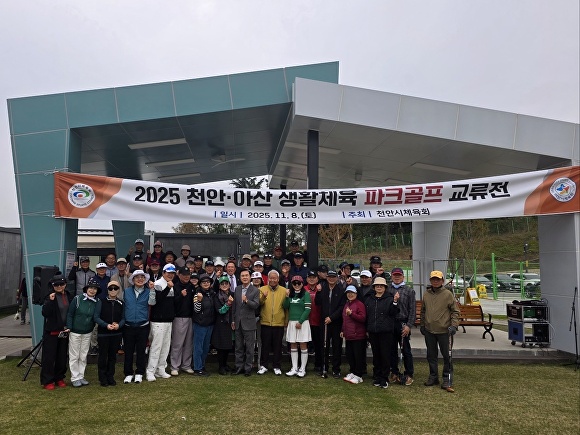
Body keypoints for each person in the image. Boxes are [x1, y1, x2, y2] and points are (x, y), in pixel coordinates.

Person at [420, 270, 460, 390]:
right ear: (430, 280)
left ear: (442, 281)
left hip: (445, 331)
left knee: (447, 356)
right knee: (431, 355)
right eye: (433, 279)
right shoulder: (426, 294)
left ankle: (447, 378)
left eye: (438, 279)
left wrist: (454, 325)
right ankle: (433, 376)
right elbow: (423, 311)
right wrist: (422, 325)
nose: (435, 281)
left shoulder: (448, 294)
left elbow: (455, 311)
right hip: (429, 330)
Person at [364, 276, 399, 389]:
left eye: (381, 286)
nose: (379, 287)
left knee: (385, 355)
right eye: (377, 285)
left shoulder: (390, 298)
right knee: (376, 355)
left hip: (385, 331)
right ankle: (377, 376)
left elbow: (394, 313)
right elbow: (367, 315)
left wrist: (395, 301)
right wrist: (367, 329)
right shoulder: (369, 299)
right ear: (374, 287)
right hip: (373, 331)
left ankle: (384, 377)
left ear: (385, 287)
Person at [40, 274, 72, 390]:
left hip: (64, 331)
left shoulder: (69, 295)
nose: (59, 286)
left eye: (61, 284)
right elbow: (45, 313)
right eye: (56, 285)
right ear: (52, 286)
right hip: (52, 332)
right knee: (49, 357)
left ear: (65, 284)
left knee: (62, 356)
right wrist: (50, 301)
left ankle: (59, 377)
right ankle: (48, 380)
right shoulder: (49, 296)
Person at [67, 278, 100, 387]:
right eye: (91, 288)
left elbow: (96, 317)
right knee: (74, 355)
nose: (92, 290)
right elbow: (70, 314)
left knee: (83, 355)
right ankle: (74, 377)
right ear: (86, 288)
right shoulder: (77, 299)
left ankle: (81, 376)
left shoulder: (97, 302)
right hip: (75, 332)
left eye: (95, 288)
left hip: (88, 332)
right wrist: (70, 327)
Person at [146, 263, 177, 381]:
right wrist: (168, 288)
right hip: (158, 321)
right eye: (168, 273)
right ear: (163, 272)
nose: (170, 275)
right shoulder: (158, 283)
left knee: (165, 347)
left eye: (172, 273)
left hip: (168, 320)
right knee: (156, 347)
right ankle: (150, 371)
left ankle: (160, 369)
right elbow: (157, 300)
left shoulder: (171, 284)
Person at [122, 269, 154, 384]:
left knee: (141, 351)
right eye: (137, 277)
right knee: (128, 351)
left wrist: (152, 290)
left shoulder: (148, 291)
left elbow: (152, 303)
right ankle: (128, 373)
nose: (140, 279)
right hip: (128, 325)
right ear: (133, 279)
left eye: (142, 277)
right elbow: (123, 306)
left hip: (143, 325)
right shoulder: (126, 291)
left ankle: (140, 373)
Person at [387, 267, 416, 386]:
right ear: (392, 276)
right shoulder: (388, 289)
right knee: (392, 349)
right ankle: (394, 371)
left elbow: (412, 310)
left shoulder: (409, 291)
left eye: (399, 275)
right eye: (395, 275)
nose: (397, 277)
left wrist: (409, 325)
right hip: (391, 323)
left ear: (403, 276)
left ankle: (409, 373)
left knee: (406, 350)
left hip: (403, 323)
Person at [93, 280, 125, 386]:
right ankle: (102, 378)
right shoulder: (100, 302)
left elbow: (123, 318)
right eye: (111, 288)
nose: (113, 290)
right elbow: (96, 317)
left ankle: (110, 376)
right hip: (103, 334)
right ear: (107, 290)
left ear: (118, 290)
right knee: (103, 356)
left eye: (115, 288)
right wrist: (106, 325)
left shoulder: (121, 303)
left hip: (116, 334)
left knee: (112, 357)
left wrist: (119, 325)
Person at [315, 270, 345, 378]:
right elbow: (317, 302)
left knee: (337, 347)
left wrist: (332, 318)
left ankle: (336, 369)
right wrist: (318, 292)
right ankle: (324, 367)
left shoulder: (341, 290)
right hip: (324, 322)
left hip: (336, 323)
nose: (331, 279)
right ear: (327, 278)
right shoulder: (323, 289)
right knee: (324, 346)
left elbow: (342, 307)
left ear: (337, 278)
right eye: (329, 277)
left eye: (333, 277)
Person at [257, 270, 288, 376]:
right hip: (265, 322)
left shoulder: (284, 291)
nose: (273, 280)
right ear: (268, 279)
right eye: (271, 278)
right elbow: (259, 303)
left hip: (279, 323)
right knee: (265, 345)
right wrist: (263, 297)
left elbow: (286, 307)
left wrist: (286, 320)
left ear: (278, 279)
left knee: (277, 346)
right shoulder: (262, 289)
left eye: (275, 278)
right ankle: (264, 365)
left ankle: (277, 366)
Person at [231, 270, 260, 376]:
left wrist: (247, 301)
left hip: (249, 323)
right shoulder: (237, 289)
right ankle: (239, 367)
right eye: (242, 276)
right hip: (238, 322)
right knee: (238, 347)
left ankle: (248, 368)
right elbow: (235, 306)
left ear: (250, 277)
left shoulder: (255, 290)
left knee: (249, 348)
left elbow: (256, 305)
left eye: (246, 275)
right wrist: (233, 320)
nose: (244, 277)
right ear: (240, 277)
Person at [283, 276, 312, 377]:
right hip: (292, 322)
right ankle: (294, 368)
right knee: (293, 344)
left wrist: (300, 321)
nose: (296, 285)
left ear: (302, 284)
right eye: (294, 283)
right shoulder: (290, 294)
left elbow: (308, 309)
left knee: (303, 344)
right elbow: (285, 306)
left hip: (302, 323)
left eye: (298, 283)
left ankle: (302, 369)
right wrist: (286, 297)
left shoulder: (306, 294)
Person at [170, 267, 195, 376]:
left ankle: (186, 365)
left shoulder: (191, 286)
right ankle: (174, 366)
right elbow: (171, 303)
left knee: (189, 343)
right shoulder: (175, 286)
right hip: (179, 317)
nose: (186, 277)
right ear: (179, 275)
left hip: (191, 318)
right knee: (177, 343)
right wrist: (180, 296)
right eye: (184, 274)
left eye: (188, 274)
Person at [340, 285, 367, 384]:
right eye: (348, 293)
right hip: (349, 335)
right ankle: (353, 372)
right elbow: (345, 319)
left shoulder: (360, 304)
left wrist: (352, 314)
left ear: (356, 293)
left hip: (358, 335)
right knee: (350, 355)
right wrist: (342, 330)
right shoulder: (347, 304)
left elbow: (363, 318)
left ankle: (359, 375)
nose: (350, 295)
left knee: (358, 356)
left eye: (352, 293)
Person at [192, 274, 216, 376]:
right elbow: (196, 310)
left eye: (208, 282)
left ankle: (202, 365)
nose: (206, 284)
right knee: (198, 347)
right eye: (203, 282)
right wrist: (200, 300)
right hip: (200, 324)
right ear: (200, 284)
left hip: (210, 324)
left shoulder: (212, 293)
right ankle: (197, 368)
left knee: (206, 347)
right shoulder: (197, 294)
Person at [212, 276, 235, 375]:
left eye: (226, 283)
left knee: (228, 346)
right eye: (222, 284)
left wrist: (233, 321)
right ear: (219, 286)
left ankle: (225, 364)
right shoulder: (217, 296)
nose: (224, 285)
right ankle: (221, 366)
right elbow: (220, 311)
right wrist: (228, 304)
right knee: (221, 347)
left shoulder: (232, 294)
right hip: (221, 323)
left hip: (230, 323)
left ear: (229, 285)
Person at [305, 270, 323, 373]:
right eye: (310, 277)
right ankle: (303, 364)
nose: (312, 279)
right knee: (304, 345)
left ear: (317, 279)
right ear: (307, 279)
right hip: (305, 321)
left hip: (317, 321)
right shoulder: (303, 289)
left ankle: (318, 365)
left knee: (318, 345)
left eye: (314, 277)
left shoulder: (321, 289)